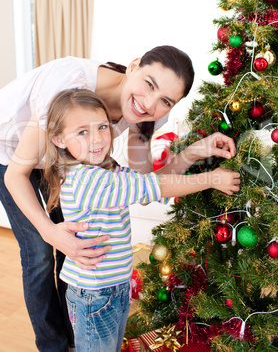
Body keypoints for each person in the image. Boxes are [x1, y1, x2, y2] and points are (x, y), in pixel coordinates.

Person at [0, 45, 236, 351]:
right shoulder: (69, 84)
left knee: (72, 248)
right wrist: (49, 231)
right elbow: (15, 175)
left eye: (166, 100)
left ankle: (75, 338)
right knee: (40, 254)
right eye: (149, 84)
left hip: (62, 160)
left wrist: (199, 150)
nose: (150, 104)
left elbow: (148, 185)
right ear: (133, 65)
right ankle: (53, 346)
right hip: (11, 152)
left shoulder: (142, 117)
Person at [44, 88, 240, 352]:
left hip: (112, 287)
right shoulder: (89, 180)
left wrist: (196, 151)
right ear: (59, 139)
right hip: (95, 294)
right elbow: (155, 186)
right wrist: (212, 179)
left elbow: (151, 183)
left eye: (102, 126)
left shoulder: (103, 169)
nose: (97, 139)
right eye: (82, 132)